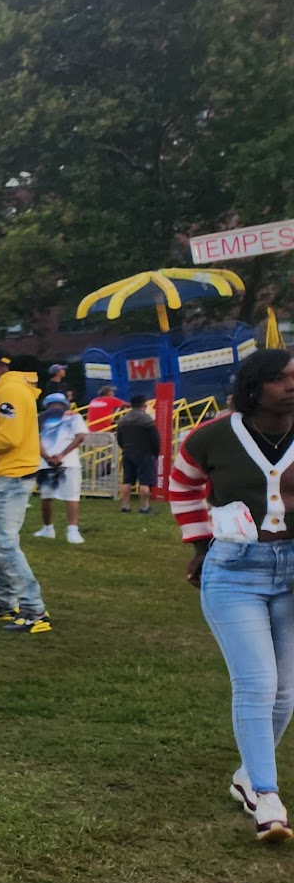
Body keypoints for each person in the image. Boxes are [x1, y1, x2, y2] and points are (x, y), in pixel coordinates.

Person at [169, 347, 294, 841]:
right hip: (236, 569)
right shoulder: (215, 435)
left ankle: (246, 776)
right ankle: (267, 796)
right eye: (282, 378)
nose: (292, 385)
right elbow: (181, 485)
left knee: (285, 692)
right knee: (257, 683)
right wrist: (199, 543)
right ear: (254, 385)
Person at [0, 349, 48, 632]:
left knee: (3, 542)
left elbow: (9, 437)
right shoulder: (7, 390)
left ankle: (33, 609)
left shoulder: (10, 391)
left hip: (12, 474)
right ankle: (7, 603)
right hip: (9, 473)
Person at [34, 392, 88, 544]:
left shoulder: (39, 418)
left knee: (46, 497)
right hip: (68, 462)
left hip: (46, 462)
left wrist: (47, 457)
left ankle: (48, 528)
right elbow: (80, 437)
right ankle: (72, 531)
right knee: (72, 497)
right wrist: (62, 455)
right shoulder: (74, 417)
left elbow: (35, 440)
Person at [115, 396, 161, 512]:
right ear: (144, 405)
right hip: (145, 453)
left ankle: (125, 506)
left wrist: (125, 447)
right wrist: (155, 452)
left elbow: (119, 438)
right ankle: (144, 506)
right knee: (145, 482)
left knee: (127, 480)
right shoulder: (147, 420)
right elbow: (155, 439)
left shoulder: (123, 420)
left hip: (128, 452)